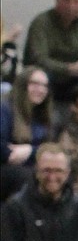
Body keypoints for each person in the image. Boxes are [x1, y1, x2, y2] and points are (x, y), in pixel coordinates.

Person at [1, 66, 54, 198]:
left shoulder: (43, 116)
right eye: (35, 84)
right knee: (27, 177)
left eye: (44, 86)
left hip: (32, 166)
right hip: (6, 169)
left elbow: (51, 149)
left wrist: (30, 151)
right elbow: (5, 152)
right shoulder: (5, 109)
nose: (41, 90)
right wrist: (35, 152)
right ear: (22, 85)